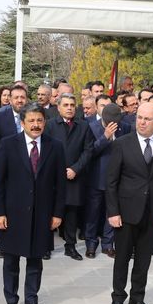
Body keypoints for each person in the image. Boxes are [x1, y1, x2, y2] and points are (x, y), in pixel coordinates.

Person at [0, 103, 66, 304]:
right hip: (13, 213)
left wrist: (57, 213)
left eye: (39, 120)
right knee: (11, 261)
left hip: (42, 213)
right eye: (31, 121)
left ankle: (31, 301)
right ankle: (11, 302)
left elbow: (61, 184)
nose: (36, 125)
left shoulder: (56, 146)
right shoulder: (8, 145)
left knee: (35, 260)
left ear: (45, 122)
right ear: (22, 123)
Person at [107, 102, 153, 304]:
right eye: (140, 117)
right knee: (122, 259)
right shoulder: (122, 144)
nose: (142, 122)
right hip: (126, 213)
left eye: (148, 119)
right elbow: (111, 182)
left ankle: (138, 299)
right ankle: (118, 298)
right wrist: (113, 212)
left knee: (144, 260)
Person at [45, 93, 92, 260]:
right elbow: (45, 150)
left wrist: (75, 169)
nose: (70, 108)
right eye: (65, 105)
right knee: (50, 212)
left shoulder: (83, 126)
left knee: (71, 213)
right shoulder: (50, 125)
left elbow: (88, 150)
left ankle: (70, 246)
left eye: (72, 105)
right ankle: (46, 246)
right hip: (53, 177)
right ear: (58, 107)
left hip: (74, 177)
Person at [85, 98, 130, 259]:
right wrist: (105, 137)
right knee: (93, 213)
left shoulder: (124, 127)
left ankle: (107, 244)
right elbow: (89, 153)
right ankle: (90, 243)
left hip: (117, 179)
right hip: (97, 178)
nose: (113, 125)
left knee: (111, 213)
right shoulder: (91, 127)